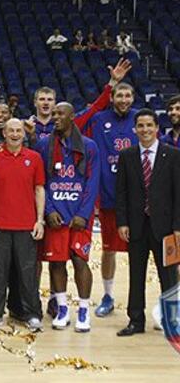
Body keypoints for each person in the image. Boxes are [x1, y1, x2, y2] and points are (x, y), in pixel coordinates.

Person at [35, 103, 100, 333]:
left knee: (80, 260)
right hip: (56, 214)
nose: (55, 117)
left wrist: (83, 214)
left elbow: (92, 184)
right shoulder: (44, 144)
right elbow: (40, 181)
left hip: (79, 214)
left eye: (60, 114)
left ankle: (83, 309)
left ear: (72, 117)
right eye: (53, 114)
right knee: (57, 261)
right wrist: (49, 210)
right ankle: (62, 308)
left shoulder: (89, 146)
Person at [115, 108, 180, 336]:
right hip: (136, 226)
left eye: (149, 126)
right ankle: (135, 320)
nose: (145, 130)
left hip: (165, 228)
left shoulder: (172, 155)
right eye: (140, 126)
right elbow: (121, 192)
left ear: (157, 128)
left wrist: (177, 226)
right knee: (136, 274)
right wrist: (122, 222)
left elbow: (178, 194)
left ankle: (172, 323)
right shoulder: (127, 156)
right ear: (135, 130)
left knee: (169, 277)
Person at [0, 118, 45, 331]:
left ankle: (32, 314)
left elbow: (39, 189)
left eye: (19, 130)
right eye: (11, 131)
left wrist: (40, 220)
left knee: (27, 273)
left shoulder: (34, 158)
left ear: (24, 134)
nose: (15, 134)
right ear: (4, 134)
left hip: (26, 225)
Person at [86, 83, 139, 317]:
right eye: (120, 95)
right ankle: (108, 295)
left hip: (138, 201)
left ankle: (138, 299)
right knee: (109, 250)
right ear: (113, 97)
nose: (124, 99)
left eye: (128, 96)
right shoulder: (98, 119)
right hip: (109, 196)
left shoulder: (141, 119)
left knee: (141, 251)